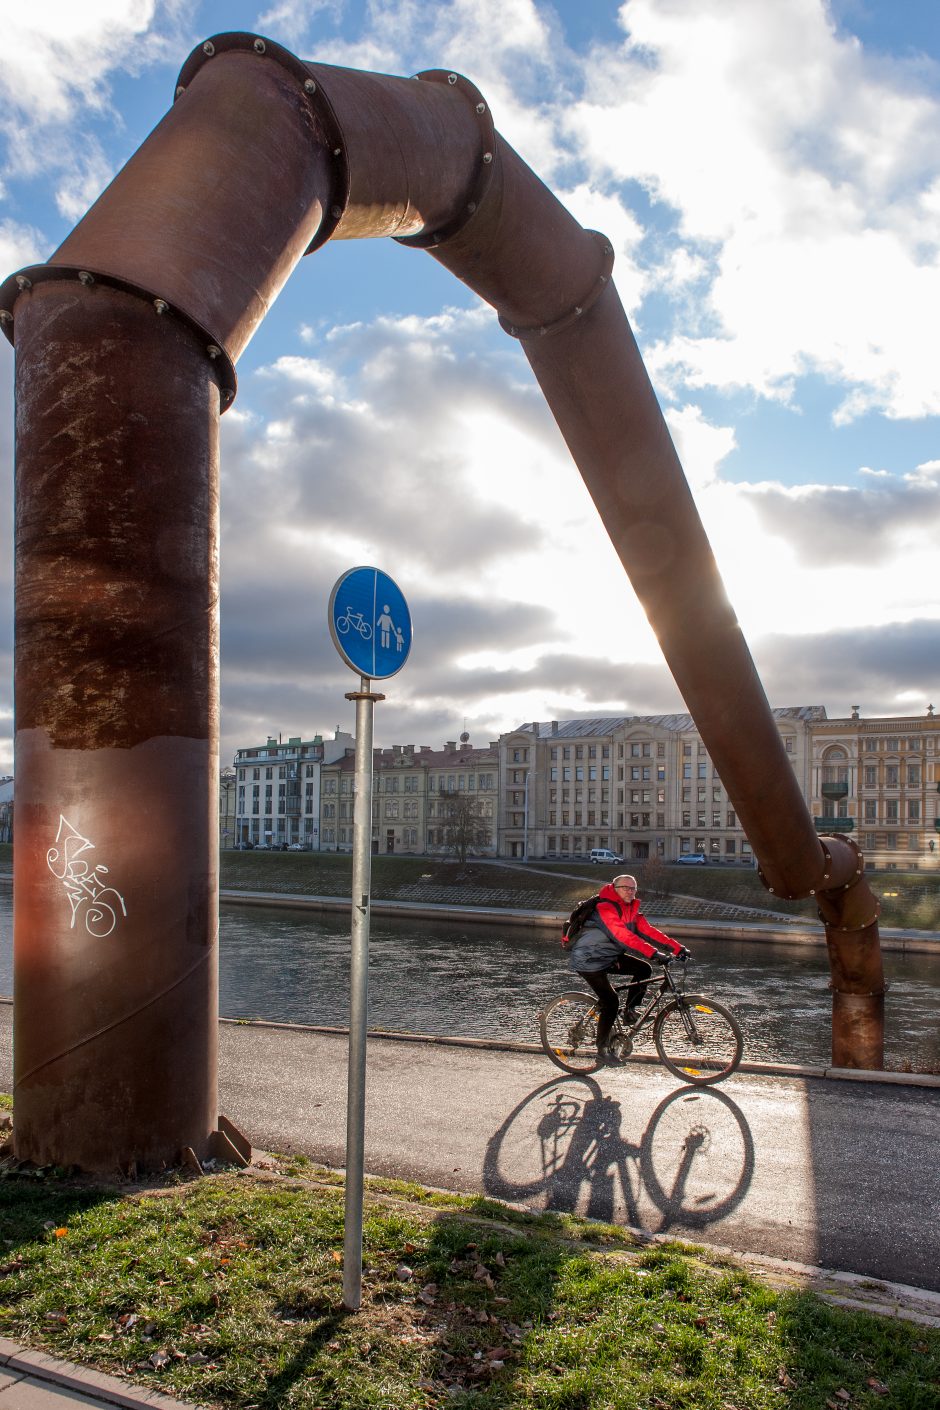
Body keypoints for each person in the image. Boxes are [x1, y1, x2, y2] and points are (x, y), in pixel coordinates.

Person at [566, 873, 690, 1066]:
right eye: (626, 887)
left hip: (609, 956)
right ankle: (603, 1050)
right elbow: (623, 936)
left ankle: (630, 1011)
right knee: (611, 1001)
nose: (630, 891)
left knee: (643, 969)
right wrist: (655, 953)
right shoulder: (605, 908)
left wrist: (677, 948)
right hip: (589, 959)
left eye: (633, 888)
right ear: (614, 889)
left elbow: (648, 931)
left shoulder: (631, 909)